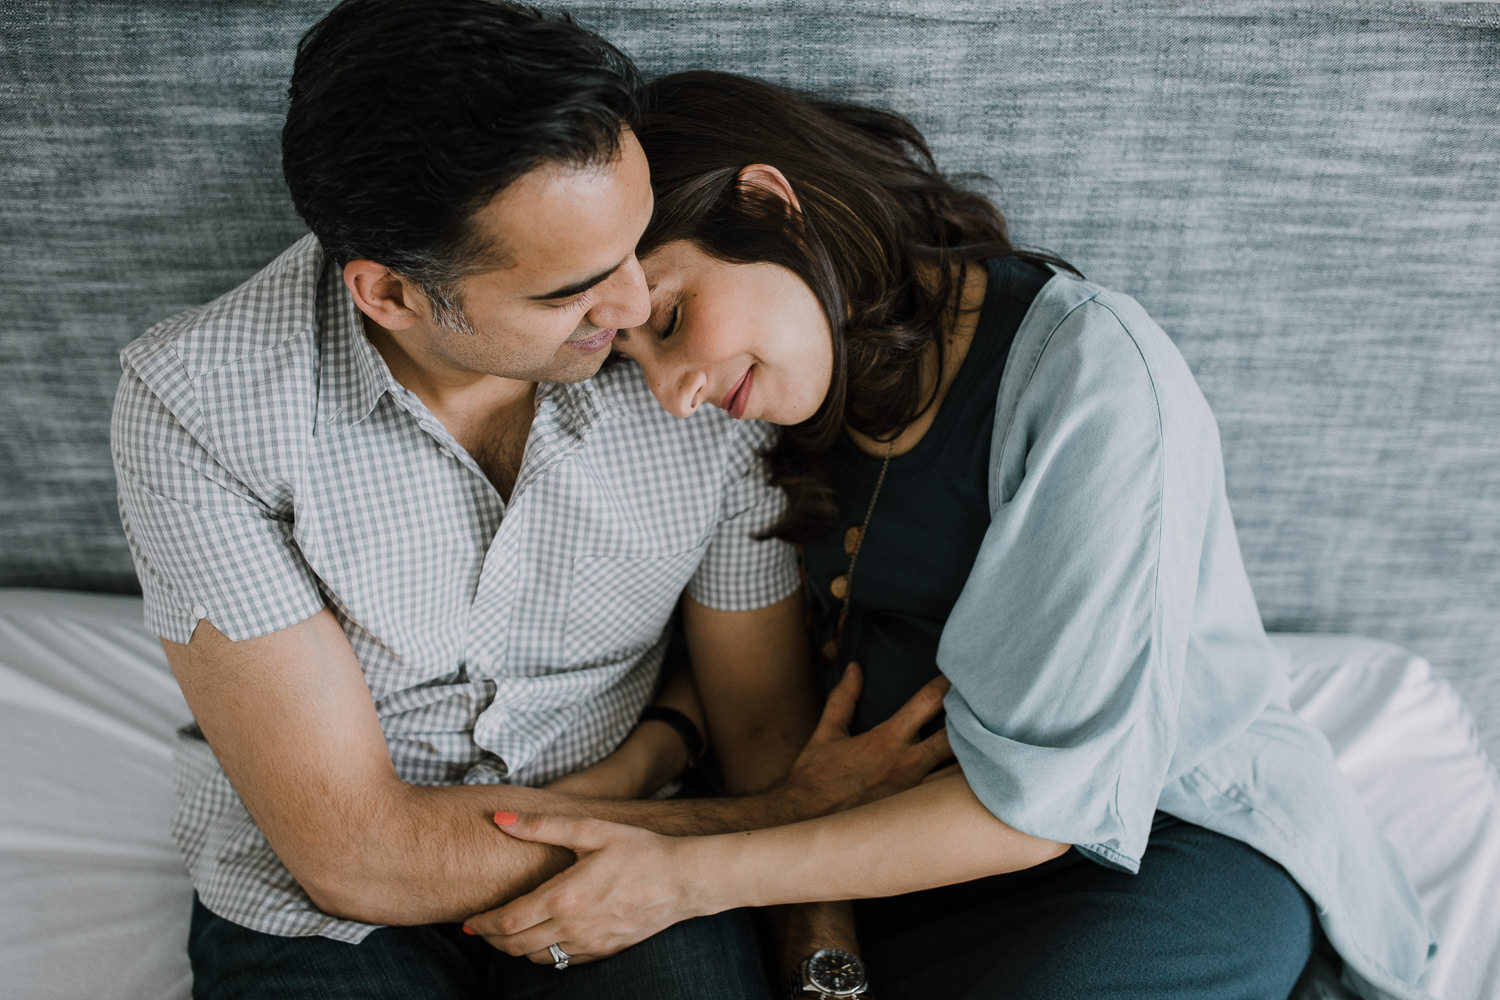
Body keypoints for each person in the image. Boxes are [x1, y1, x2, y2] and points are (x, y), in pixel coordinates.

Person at [461, 72, 1440, 1000]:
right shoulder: (773, 404)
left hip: (1144, 848)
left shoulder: (1093, 376)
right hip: (870, 860)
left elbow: (1041, 808)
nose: (673, 397)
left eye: (670, 318)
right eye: (633, 361)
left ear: (770, 204)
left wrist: (687, 873)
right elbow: (736, 655)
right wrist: (677, 799)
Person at [110, 8, 947, 999]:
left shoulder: (694, 360)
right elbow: (358, 855)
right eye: (573, 291)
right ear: (391, 295)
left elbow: (759, 720)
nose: (637, 304)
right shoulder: (198, 405)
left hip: (642, 866)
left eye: (636, 244)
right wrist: (767, 828)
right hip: (327, 910)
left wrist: (819, 955)